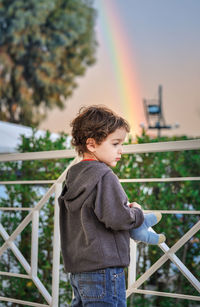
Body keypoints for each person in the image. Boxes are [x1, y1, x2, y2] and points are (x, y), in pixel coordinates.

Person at [58, 105, 164, 307]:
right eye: (115, 144)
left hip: (79, 271)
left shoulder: (73, 176)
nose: (121, 151)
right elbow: (118, 218)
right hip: (104, 271)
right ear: (92, 144)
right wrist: (137, 213)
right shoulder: (104, 176)